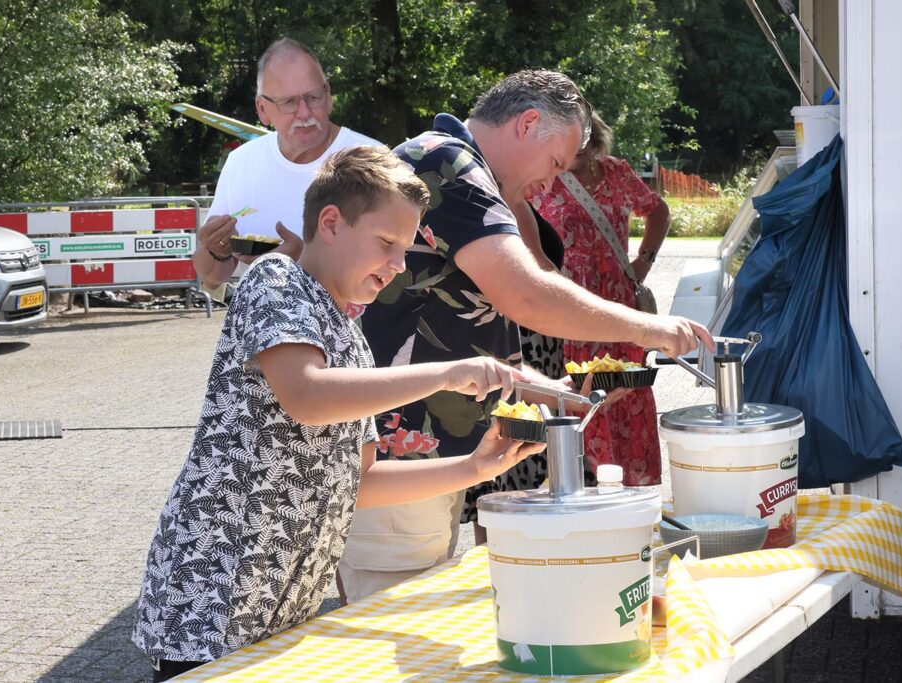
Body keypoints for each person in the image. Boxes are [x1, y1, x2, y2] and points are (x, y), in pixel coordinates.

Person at [132, 146, 545, 682]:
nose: (398, 265)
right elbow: (306, 396)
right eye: (387, 243)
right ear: (330, 222)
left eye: (406, 248)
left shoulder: (351, 335)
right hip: (211, 600)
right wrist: (445, 374)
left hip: (283, 606)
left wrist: (475, 468)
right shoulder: (276, 279)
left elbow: (360, 480)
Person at [338, 70, 712, 603]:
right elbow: (528, 296)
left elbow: (476, 332)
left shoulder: (459, 166)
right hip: (401, 455)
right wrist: (650, 327)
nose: (553, 184)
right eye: (555, 164)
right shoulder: (450, 164)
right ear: (528, 123)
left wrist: (554, 392)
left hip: (419, 456)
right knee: (394, 625)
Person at [533, 110, 670, 486]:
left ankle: (638, 490)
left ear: (593, 142)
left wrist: (644, 260)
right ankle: (589, 487)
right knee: (583, 394)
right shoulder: (544, 178)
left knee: (628, 395)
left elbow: (657, 209)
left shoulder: (617, 173)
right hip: (571, 310)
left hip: (621, 307)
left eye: (580, 145)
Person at [194, 38, 380, 291]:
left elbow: (399, 264)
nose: (304, 113)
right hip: (264, 328)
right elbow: (212, 277)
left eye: (313, 97)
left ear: (329, 95)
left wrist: (301, 260)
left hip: (350, 328)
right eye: (289, 102)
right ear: (262, 109)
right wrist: (216, 250)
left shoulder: (373, 160)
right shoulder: (241, 162)